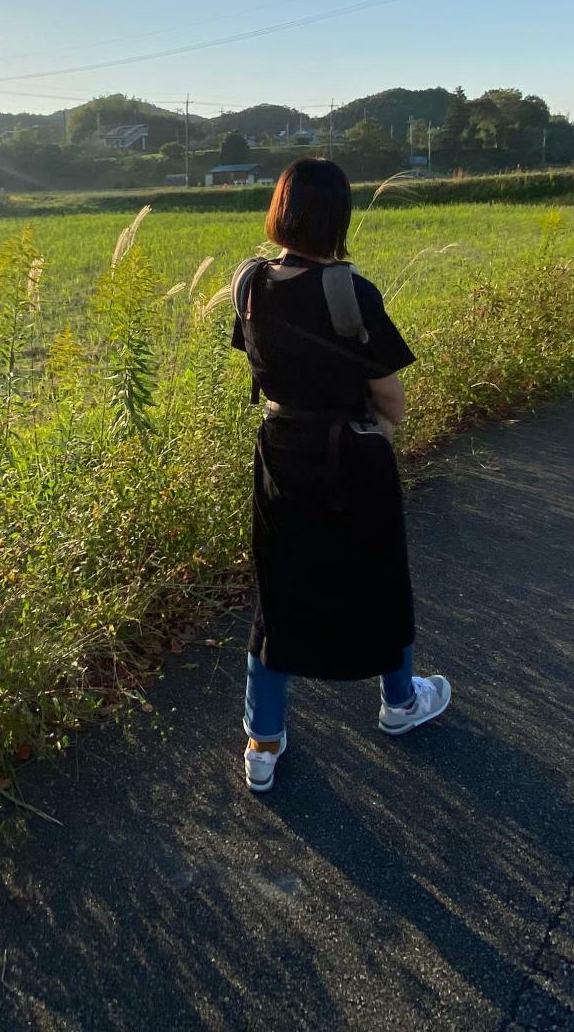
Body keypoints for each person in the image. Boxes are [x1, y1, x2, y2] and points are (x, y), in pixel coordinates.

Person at [229, 157, 451, 793]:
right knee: (376, 578)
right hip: (350, 453)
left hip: (279, 449)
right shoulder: (350, 291)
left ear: (281, 209)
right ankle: (400, 702)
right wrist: (379, 434)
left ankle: (262, 743)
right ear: (338, 217)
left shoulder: (250, 283)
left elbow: (264, 362)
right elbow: (390, 396)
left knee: (279, 591)